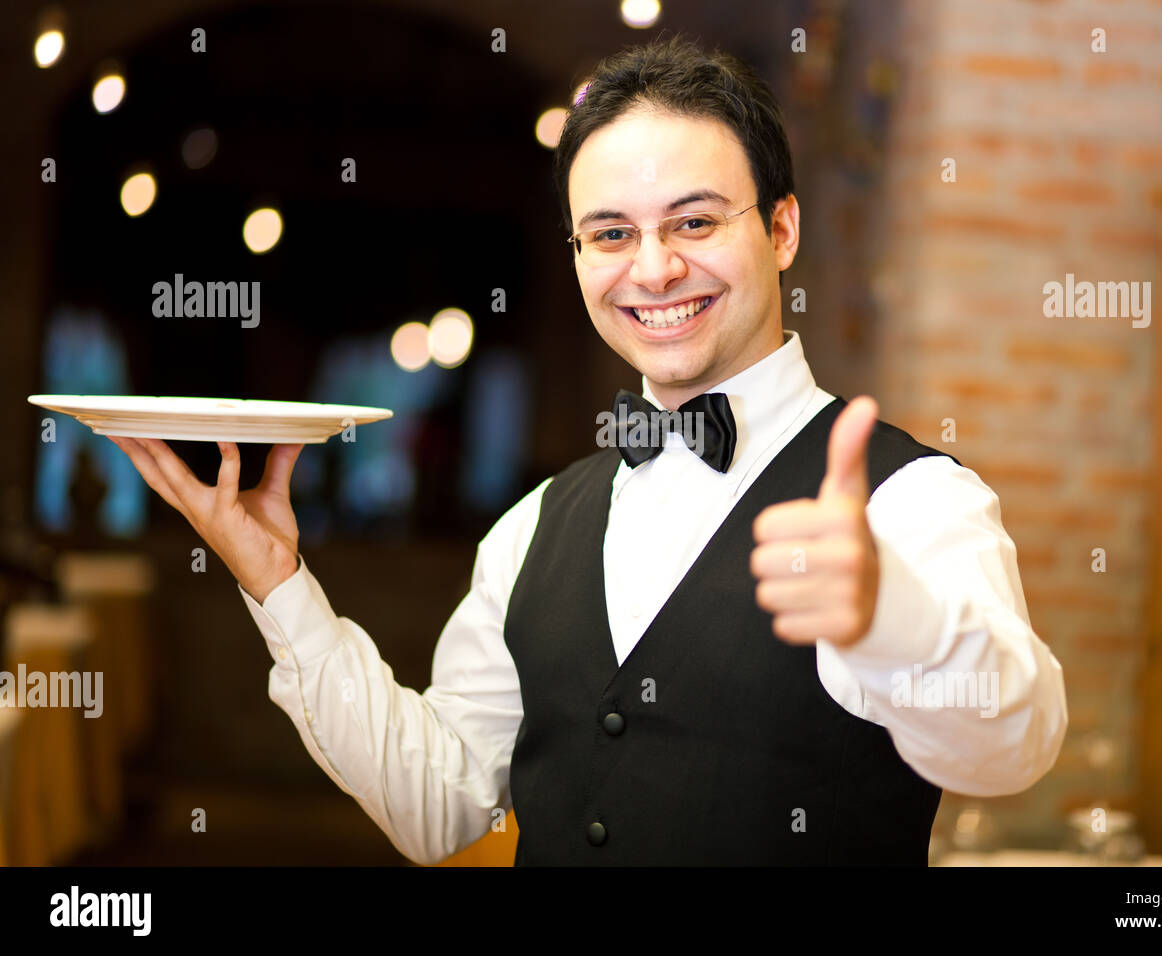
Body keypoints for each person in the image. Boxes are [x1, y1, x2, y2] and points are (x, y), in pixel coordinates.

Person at [109, 36, 1067, 866]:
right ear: (576, 257)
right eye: (611, 234)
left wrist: (887, 616)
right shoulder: (532, 527)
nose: (652, 268)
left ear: (782, 228)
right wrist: (281, 586)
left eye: (695, 222)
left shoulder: (911, 502)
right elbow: (438, 806)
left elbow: (1014, 748)